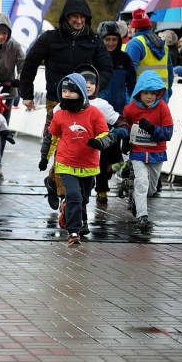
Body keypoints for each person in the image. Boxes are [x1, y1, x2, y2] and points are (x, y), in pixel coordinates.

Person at [19, 0, 113, 208]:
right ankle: (66, 199)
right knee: (61, 147)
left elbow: (107, 68)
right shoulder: (50, 38)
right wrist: (26, 93)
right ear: (65, 17)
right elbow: (30, 63)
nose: (78, 21)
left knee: (76, 148)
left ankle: (53, 182)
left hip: (85, 104)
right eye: (74, 17)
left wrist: (96, 87)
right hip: (56, 103)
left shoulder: (94, 40)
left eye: (82, 17)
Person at [41, 73, 111, 247]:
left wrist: (99, 142)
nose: (66, 94)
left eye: (71, 91)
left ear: (81, 92)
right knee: (73, 196)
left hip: (88, 165)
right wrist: (44, 157)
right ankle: (74, 232)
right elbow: (52, 137)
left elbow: (106, 134)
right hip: (65, 163)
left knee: (83, 199)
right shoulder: (59, 114)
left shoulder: (94, 113)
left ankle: (67, 211)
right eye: (64, 90)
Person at [122, 71, 173, 231]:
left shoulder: (162, 108)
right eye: (145, 93)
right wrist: (124, 139)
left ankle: (134, 196)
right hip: (137, 152)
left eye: (153, 93)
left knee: (151, 189)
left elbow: (168, 133)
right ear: (139, 92)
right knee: (142, 183)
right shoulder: (130, 109)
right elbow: (124, 125)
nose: (149, 97)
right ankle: (142, 216)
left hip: (156, 153)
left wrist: (151, 128)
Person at [72, 64, 128, 206]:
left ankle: (100, 191)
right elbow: (53, 119)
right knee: (74, 184)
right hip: (73, 150)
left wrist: (119, 131)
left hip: (97, 150)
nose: (89, 86)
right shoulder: (68, 102)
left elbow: (119, 120)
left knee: (94, 178)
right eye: (85, 83)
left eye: (92, 83)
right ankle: (61, 194)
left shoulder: (101, 104)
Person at [0, 13, 25, 182]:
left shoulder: (14, 46)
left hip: (8, 93)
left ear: (8, 34)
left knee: (2, 128)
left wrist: (18, 81)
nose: (1, 37)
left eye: (4, 34)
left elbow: (24, 66)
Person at [124, 8, 173, 101]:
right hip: (162, 95)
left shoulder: (135, 44)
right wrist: (168, 92)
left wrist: (129, 97)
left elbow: (129, 74)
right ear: (150, 26)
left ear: (134, 27)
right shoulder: (164, 45)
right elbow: (170, 74)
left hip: (141, 96)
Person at [96, 21, 137, 116]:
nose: (111, 43)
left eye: (114, 39)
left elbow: (132, 84)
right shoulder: (93, 58)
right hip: (97, 110)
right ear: (100, 40)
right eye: (107, 39)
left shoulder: (124, 58)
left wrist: (133, 104)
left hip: (119, 111)